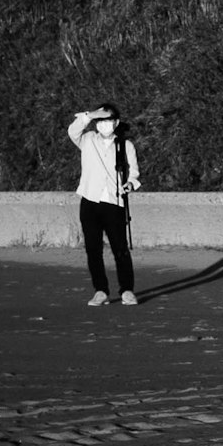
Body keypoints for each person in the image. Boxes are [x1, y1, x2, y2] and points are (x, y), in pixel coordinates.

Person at [67, 102, 141, 307]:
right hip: (90, 200)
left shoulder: (125, 145)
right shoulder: (87, 140)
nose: (104, 125)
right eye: (101, 121)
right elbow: (73, 130)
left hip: (114, 201)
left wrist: (130, 184)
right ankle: (100, 290)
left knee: (120, 249)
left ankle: (127, 290)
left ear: (116, 123)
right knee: (93, 249)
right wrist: (89, 115)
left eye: (108, 120)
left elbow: (134, 173)